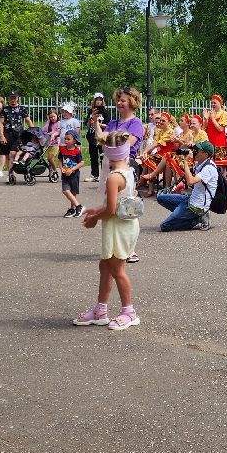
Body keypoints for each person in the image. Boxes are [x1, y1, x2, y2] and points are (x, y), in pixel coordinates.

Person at [77, 131, 142, 328]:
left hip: (118, 227)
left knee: (117, 269)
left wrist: (95, 218)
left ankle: (129, 312)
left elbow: (112, 209)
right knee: (105, 266)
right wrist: (98, 210)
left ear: (107, 155)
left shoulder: (113, 178)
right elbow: (117, 204)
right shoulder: (129, 171)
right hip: (123, 224)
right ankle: (100, 310)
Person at [157, 140, 218, 231]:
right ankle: (184, 216)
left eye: (198, 150)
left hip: (197, 206)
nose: (195, 151)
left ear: (205, 155)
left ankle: (197, 219)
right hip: (190, 199)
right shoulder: (200, 163)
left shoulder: (208, 168)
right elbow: (185, 174)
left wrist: (185, 161)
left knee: (165, 226)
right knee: (160, 197)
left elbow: (190, 181)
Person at [0, 92, 30, 185]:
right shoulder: (4, 109)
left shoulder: (22, 109)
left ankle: (12, 174)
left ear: (17, 98)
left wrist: (34, 132)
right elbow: (1, 123)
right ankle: (10, 175)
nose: (13, 99)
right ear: (9, 99)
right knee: (7, 156)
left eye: (14, 98)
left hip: (18, 135)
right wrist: (1, 135)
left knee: (12, 153)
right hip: (7, 134)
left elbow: (28, 120)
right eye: (11, 98)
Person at [59, 129, 84, 218]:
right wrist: (61, 168)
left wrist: (72, 170)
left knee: (73, 193)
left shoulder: (77, 151)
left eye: (68, 139)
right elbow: (60, 160)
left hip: (74, 175)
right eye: (65, 139)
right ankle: (79, 206)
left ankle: (72, 209)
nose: (66, 141)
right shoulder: (62, 149)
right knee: (65, 190)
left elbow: (81, 163)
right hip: (65, 175)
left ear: (74, 141)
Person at [85, 93, 108, 182]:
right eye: (97, 99)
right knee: (93, 156)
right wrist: (90, 122)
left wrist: (97, 123)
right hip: (92, 136)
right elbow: (86, 123)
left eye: (100, 99)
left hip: (101, 136)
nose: (98, 101)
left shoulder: (105, 112)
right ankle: (94, 174)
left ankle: (103, 175)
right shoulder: (91, 111)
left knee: (103, 156)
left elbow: (107, 125)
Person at [204, 94, 227, 168]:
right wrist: (206, 119)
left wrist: (213, 119)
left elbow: (220, 129)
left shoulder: (224, 114)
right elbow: (204, 128)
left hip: (220, 141)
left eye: (215, 103)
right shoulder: (210, 113)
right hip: (210, 140)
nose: (213, 104)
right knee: (209, 163)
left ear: (220, 103)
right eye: (212, 103)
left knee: (220, 165)